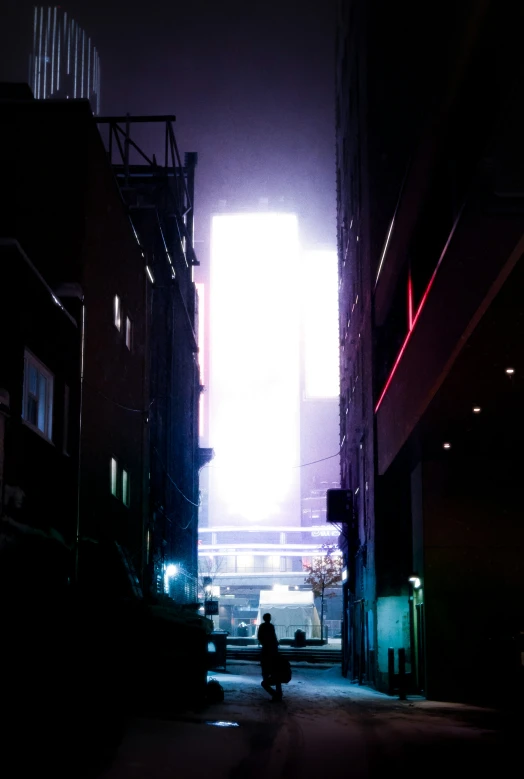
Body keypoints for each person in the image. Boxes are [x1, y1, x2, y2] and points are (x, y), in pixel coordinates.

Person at [257, 612, 283, 701]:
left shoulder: (262, 627)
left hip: (266, 651)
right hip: (273, 651)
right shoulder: (271, 627)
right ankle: (278, 693)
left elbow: (259, 637)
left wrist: (264, 643)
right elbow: (273, 636)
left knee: (265, 674)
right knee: (275, 674)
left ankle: (274, 693)